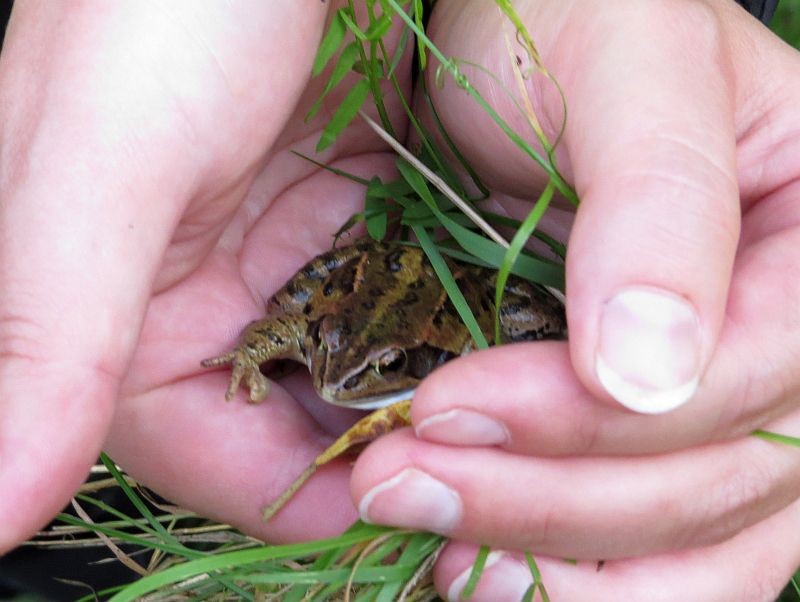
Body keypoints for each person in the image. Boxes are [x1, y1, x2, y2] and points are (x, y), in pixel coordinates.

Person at [0, 1, 798, 600]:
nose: (338, 380)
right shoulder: (327, 349)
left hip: (448, 301)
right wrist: (252, 353)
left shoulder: (443, 338)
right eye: (338, 362)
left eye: (374, 368)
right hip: (317, 304)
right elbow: (288, 321)